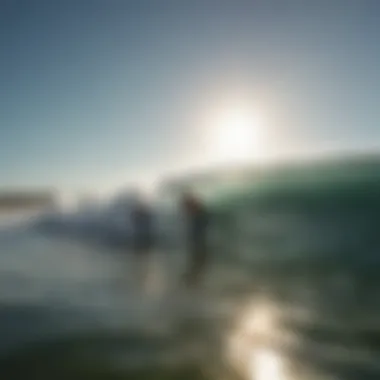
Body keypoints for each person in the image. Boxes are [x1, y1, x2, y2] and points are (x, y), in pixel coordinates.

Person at [181, 192, 210, 287]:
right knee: (197, 254)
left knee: (199, 254)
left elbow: (203, 224)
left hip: (199, 236)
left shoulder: (199, 212)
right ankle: (196, 268)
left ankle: (197, 268)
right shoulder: (197, 212)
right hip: (197, 236)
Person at [130, 197, 155, 287]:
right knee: (141, 251)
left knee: (143, 251)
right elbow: (134, 220)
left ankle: (142, 256)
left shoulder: (144, 213)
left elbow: (147, 220)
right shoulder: (139, 213)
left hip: (144, 235)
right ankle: (141, 256)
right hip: (140, 235)